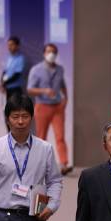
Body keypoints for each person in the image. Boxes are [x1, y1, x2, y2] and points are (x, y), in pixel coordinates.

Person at [27, 43, 71, 175]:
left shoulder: (60, 69)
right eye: (48, 51)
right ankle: (39, 165)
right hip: (42, 106)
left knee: (60, 137)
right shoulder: (36, 70)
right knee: (41, 138)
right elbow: (30, 89)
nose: (51, 54)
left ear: (56, 54)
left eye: (53, 52)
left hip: (57, 107)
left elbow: (62, 84)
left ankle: (64, 164)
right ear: (44, 53)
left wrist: (65, 99)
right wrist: (44, 91)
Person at [0, 36, 25, 102]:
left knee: (15, 110)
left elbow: (16, 75)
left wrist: (4, 83)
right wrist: (1, 82)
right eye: (8, 45)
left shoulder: (21, 59)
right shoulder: (9, 58)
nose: (9, 47)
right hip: (8, 88)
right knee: (9, 110)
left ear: (17, 46)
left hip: (15, 89)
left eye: (11, 45)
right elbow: (5, 72)